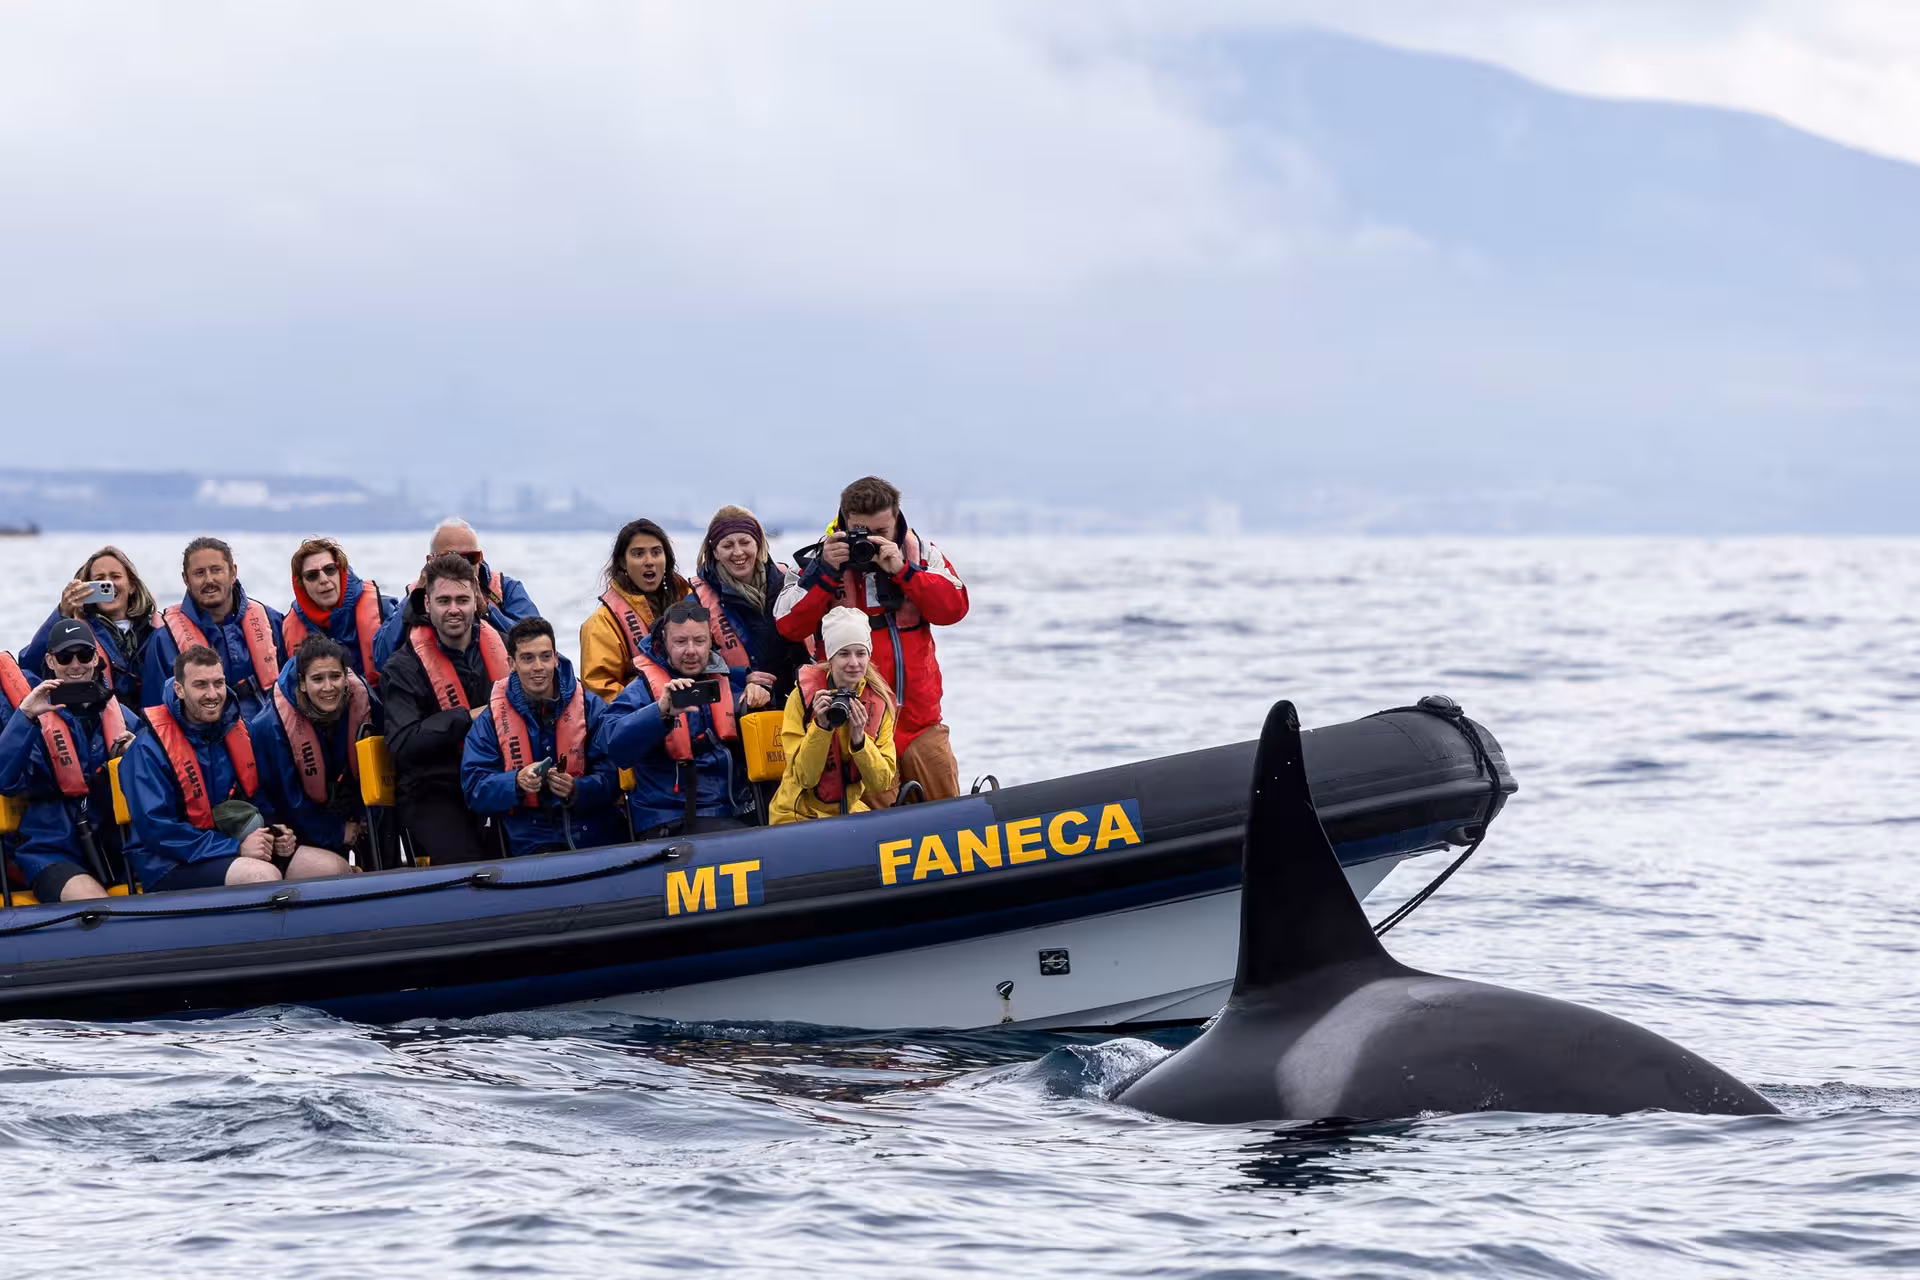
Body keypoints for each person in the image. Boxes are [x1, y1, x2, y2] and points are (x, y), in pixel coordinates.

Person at [776, 476, 968, 805]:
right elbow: (788, 625)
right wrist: (825, 572)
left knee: (948, 816)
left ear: (897, 520)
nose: (871, 541)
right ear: (844, 522)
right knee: (878, 831)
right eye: (861, 532)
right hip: (859, 725)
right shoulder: (819, 560)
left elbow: (955, 608)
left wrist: (904, 571)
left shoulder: (920, 553)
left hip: (921, 722)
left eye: (881, 533)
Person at [122, 646, 350, 892]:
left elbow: (260, 797)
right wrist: (235, 848)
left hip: (235, 846)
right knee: (263, 877)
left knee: (332, 867)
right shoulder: (147, 749)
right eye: (200, 685)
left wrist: (276, 832)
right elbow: (158, 830)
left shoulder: (240, 732)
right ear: (180, 690)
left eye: (218, 683)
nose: (213, 694)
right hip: (168, 862)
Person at [378, 552, 511, 864]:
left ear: (476, 600)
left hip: (498, 779)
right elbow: (403, 743)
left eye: (462, 600)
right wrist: (468, 718)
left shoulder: (507, 649)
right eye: (444, 600)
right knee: (472, 864)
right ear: (427, 604)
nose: (454, 609)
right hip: (433, 791)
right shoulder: (401, 668)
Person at [0, 620, 140, 901]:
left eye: (84, 655)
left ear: (96, 658)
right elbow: (5, 780)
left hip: (116, 848)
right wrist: (24, 717)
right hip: (52, 849)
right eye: (65, 657)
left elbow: (158, 784)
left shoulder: (124, 718)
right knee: (95, 901)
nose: (75, 665)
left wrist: (138, 756)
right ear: (51, 661)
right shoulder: (31, 721)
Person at [603, 598, 765, 837]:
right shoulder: (642, 691)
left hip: (732, 808)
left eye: (699, 641)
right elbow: (613, 746)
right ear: (663, 644)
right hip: (671, 817)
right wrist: (659, 712)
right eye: (680, 642)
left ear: (710, 642)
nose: (691, 650)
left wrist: (758, 699)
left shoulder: (729, 684)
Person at [462, 618, 621, 857]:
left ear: (556, 658)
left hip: (593, 830)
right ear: (511, 663)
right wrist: (515, 782)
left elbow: (613, 775)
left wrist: (577, 788)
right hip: (530, 838)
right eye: (527, 658)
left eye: (545, 656)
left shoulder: (590, 707)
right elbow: (474, 789)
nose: (538, 666)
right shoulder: (490, 720)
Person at [249, 634, 383, 865]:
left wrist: (362, 820)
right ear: (302, 682)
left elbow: (383, 769)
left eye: (335, 677)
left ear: (346, 677)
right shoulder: (269, 727)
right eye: (318, 679)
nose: (328, 687)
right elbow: (285, 800)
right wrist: (338, 831)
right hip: (297, 827)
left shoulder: (366, 704)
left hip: (355, 810)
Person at [769, 607, 898, 825]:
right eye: (844, 654)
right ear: (830, 657)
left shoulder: (880, 703)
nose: (854, 663)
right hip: (796, 814)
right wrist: (821, 728)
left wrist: (860, 741)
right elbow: (805, 778)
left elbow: (881, 783)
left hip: (847, 812)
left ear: (869, 655)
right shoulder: (802, 699)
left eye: (860, 653)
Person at [140, 537, 286, 720]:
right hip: (203, 744)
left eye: (216, 570)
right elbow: (155, 713)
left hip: (270, 738)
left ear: (233, 572)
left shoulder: (272, 622)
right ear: (186, 579)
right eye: (199, 573)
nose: (209, 580)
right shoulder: (164, 640)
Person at [370, 518, 541, 672]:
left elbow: (538, 645)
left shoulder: (506, 590)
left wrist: (487, 612)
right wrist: (414, 601)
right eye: (448, 558)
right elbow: (380, 658)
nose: (458, 567)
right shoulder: (417, 595)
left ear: (480, 558)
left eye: (469, 558)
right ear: (431, 561)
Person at [690, 505, 810, 704]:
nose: (738, 552)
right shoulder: (695, 602)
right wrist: (740, 676)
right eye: (727, 545)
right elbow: (686, 662)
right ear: (715, 552)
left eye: (745, 542)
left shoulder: (788, 582)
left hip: (799, 703)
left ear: (758, 544)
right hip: (745, 709)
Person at [19, 545, 161, 708]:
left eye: (115, 576)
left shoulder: (157, 631)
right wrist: (62, 613)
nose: (107, 583)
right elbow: (29, 664)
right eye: (99, 579)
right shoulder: (73, 631)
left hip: (148, 722)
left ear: (132, 586)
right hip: (99, 721)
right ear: (87, 588)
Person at [579, 518, 691, 702]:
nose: (649, 561)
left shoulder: (692, 602)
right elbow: (600, 688)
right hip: (647, 719)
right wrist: (656, 708)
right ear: (623, 562)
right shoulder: (601, 624)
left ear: (667, 559)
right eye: (638, 554)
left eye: (656, 552)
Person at [280, 536, 398, 687]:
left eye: (330, 570)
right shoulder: (287, 627)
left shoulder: (386, 611)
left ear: (341, 571)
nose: (323, 579)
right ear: (301, 584)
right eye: (312, 575)